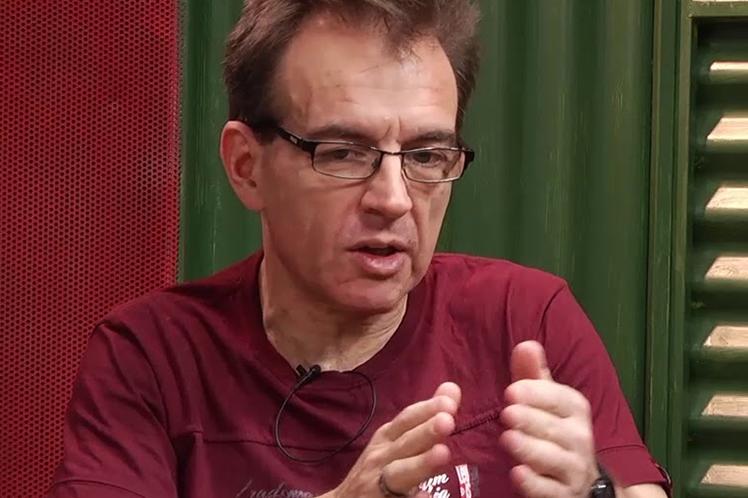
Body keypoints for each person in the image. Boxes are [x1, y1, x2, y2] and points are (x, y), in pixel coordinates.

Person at [47, 1, 672, 497]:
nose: (394, 199)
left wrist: (596, 490)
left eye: (427, 155)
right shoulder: (152, 356)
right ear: (246, 166)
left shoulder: (526, 319)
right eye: (344, 152)